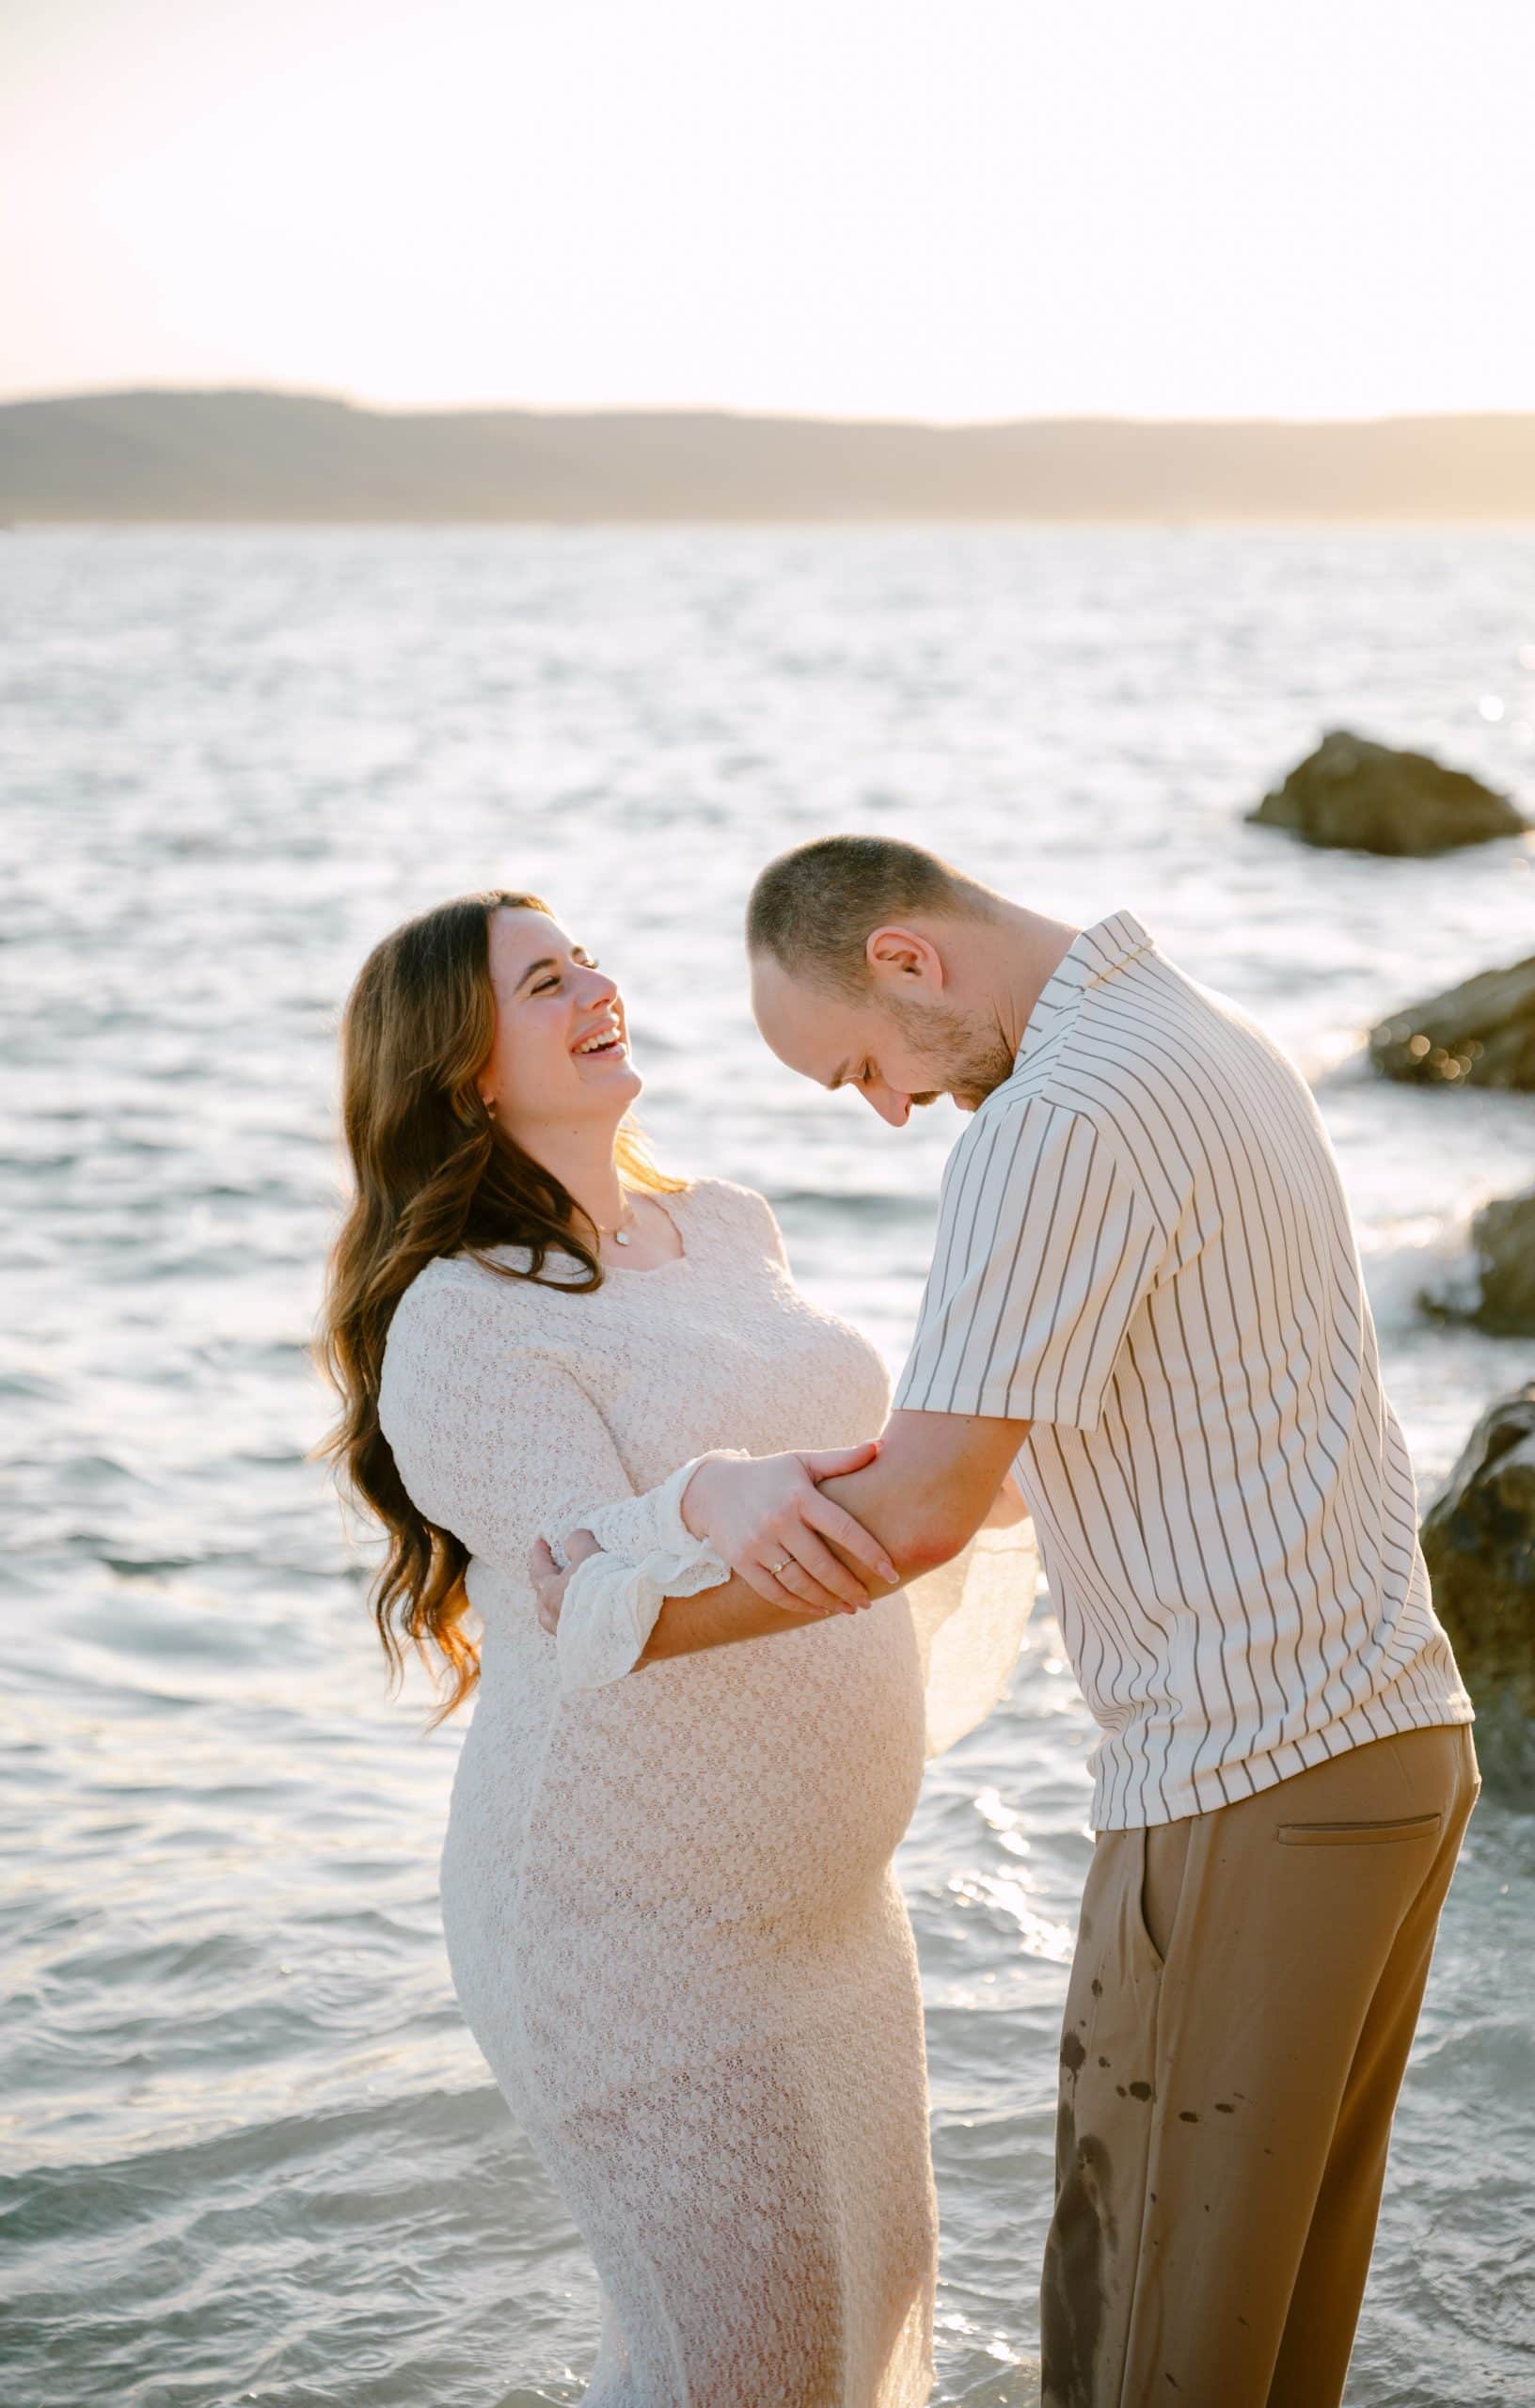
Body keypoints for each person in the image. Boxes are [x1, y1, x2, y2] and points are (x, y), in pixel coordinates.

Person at [540, 834, 1480, 2408]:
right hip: (1389, 1758)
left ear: (907, 958)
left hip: (1248, 1781)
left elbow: (918, 1509)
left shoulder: (1052, 1121)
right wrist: (713, 1509)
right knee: (1271, 2349)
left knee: (1149, 2361)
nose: (895, 1112)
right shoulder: (1204, 1037)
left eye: (862, 1072)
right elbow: (985, 1465)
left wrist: (623, 1612)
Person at [311, 886, 1040, 2408]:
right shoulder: (457, 1321)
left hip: (834, 1910)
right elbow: (592, 1593)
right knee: (744, 2364)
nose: (596, 984)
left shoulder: (724, 1226)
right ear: (464, 1066)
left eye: (587, 958)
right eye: (542, 981)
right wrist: (716, 1499)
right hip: (625, 1932)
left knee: (872, 2317)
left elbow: (871, 1456)